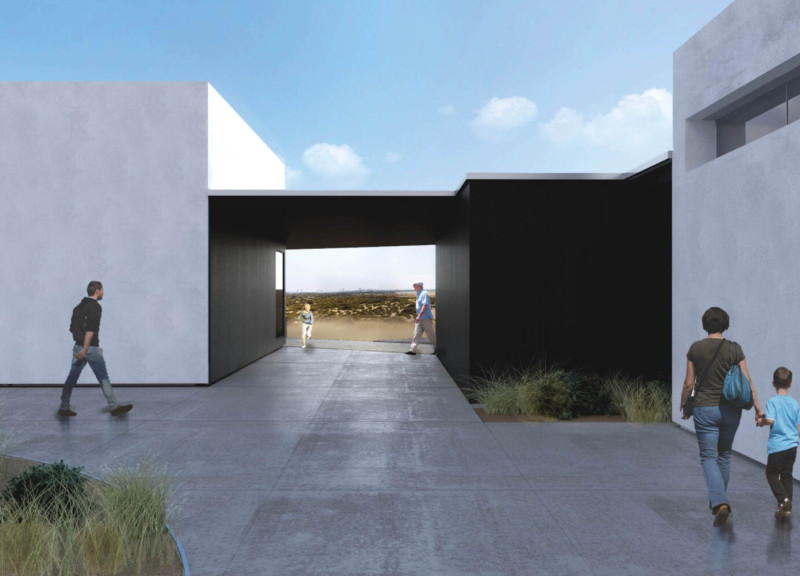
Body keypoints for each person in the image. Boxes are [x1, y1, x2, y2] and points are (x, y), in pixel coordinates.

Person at [680, 306, 763, 526]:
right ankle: (719, 503)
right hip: (731, 410)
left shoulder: (696, 348)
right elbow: (748, 381)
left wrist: (683, 405)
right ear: (725, 324)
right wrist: (757, 408)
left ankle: (720, 503)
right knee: (724, 455)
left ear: (705, 324)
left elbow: (689, 382)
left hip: (705, 409)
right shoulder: (735, 349)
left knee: (708, 456)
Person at [58, 281, 133, 417]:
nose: (104, 292)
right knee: (103, 378)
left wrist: (80, 347)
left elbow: (71, 328)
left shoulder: (77, 307)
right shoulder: (95, 307)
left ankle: (64, 406)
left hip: (77, 347)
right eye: (102, 290)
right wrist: (86, 349)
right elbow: (91, 330)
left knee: (71, 378)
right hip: (90, 349)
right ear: (97, 290)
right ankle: (114, 407)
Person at [756, 366, 800, 519]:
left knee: (772, 474)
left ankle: (784, 500)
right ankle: (785, 509)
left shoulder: (772, 402)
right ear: (791, 383)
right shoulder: (795, 404)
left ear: (773, 383)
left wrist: (761, 422)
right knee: (787, 475)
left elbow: (770, 420)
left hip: (778, 446)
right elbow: (798, 426)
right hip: (792, 445)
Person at [405, 281, 436, 355]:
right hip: (420, 318)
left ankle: (438, 349)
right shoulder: (419, 293)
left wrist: (419, 316)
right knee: (416, 334)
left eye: (415, 285)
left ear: (420, 286)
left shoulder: (424, 293)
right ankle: (412, 350)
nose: (414, 287)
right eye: (414, 285)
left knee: (431, 335)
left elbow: (425, 305)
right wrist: (419, 316)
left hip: (425, 318)